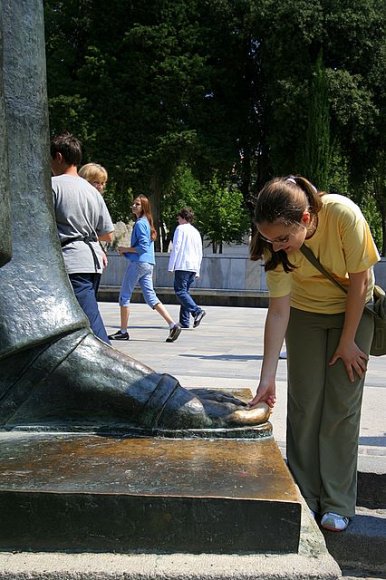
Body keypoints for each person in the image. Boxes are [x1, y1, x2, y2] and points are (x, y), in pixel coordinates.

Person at [249, 175, 379, 532]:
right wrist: (267, 377)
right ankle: (305, 494)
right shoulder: (275, 245)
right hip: (304, 315)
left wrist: (348, 340)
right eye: (269, 239)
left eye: (283, 239)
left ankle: (338, 502)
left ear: (305, 219)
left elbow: (360, 282)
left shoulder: (343, 214)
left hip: (352, 312)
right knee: (305, 404)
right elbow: (278, 311)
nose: (276, 247)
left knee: (341, 406)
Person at [51, 133, 114, 344]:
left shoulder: (53, 185)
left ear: (58, 156)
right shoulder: (92, 191)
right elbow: (107, 233)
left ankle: (111, 363)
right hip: (92, 262)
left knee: (91, 326)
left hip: (71, 261)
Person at [109, 195, 182, 343]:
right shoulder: (146, 223)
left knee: (124, 296)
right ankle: (172, 325)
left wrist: (125, 249)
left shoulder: (140, 224)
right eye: (134, 204)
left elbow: (142, 247)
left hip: (139, 263)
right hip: (148, 264)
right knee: (150, 296)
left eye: (138, 204)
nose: (134, 206)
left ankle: (123, 331)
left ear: (144, 208)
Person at [168, 207, 206, 329]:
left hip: (183, 265)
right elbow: (200, 252)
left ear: (183, 218)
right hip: (192, 266)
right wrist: (198, 270)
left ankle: (197, 311)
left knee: (180, 291)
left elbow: (176, 247)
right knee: (185, 293)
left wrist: (171, 265)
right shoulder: (196, 231)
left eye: (178, 218)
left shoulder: (180, 229)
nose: (178, 220)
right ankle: (184, 321)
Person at [79, 162, 110, 291]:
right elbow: (108, 235)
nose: (100, 187)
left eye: (103, 183)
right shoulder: (95, 200)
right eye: (96, 182)